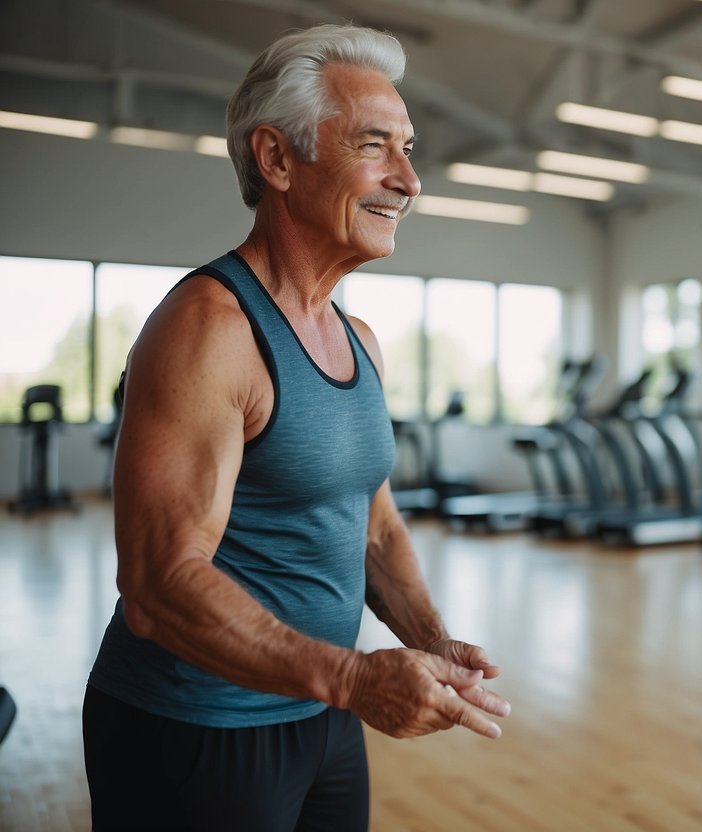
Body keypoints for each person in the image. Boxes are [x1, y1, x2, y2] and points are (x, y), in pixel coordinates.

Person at [82, 24, 510, 832]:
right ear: (276, 159)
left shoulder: (359, 340)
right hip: (194, 729)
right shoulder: (209, 328)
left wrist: (433, 643)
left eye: (409, 149)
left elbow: (373, 531)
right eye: (375, 146)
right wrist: (354, 679)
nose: (408, 179)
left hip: (319, 720)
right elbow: (158, 584)